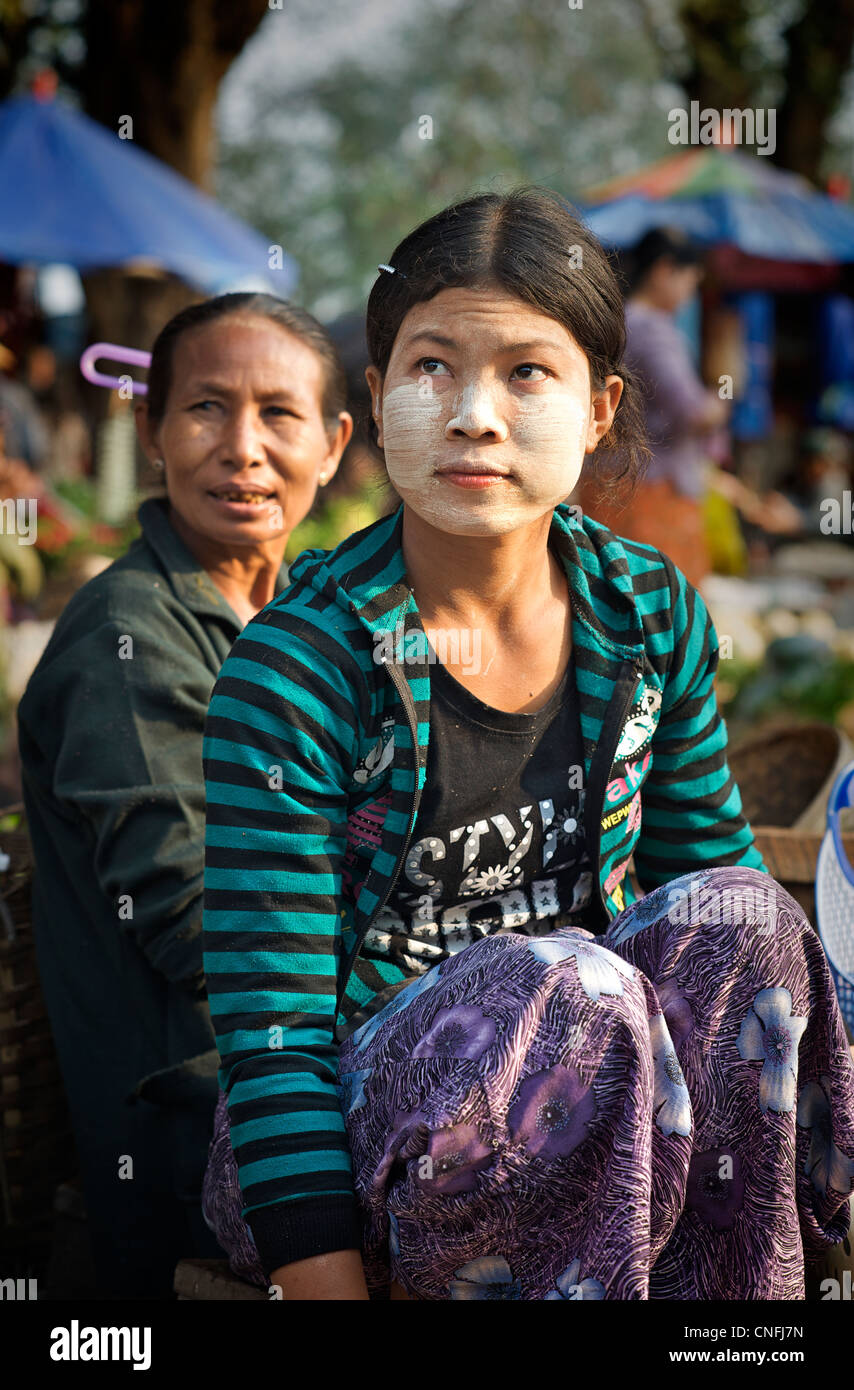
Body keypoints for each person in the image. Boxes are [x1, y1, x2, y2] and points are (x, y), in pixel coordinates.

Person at [201, 193, 854, 1301]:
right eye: (430, 369)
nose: (472, 416)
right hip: (343, 1145)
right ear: (375, 396)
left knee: (744, 916)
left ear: (598, 409)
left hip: (607, 1109)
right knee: (568, 985)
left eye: (524, 373)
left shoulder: (647, 614)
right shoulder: (302, 669)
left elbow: (713, 895)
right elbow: (275, 1038)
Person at [16, 292, 353, 1297]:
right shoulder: (127, 635)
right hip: (203, 1113)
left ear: (334, 445)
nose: (242, 448)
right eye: (205, 409)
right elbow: (200, 924)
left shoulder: (312, 614)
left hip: (304, 1063)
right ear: (151, 431)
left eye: (278, 415)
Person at [573, 228, 727, 589]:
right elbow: (693, 412)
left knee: (613, 599)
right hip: (650, 489)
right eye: (690, 280)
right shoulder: (651, 329)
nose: (691, 293)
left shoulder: (618, 323)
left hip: (611, 481)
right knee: (661, 606)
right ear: (664, 270)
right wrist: (722, 401)